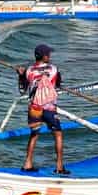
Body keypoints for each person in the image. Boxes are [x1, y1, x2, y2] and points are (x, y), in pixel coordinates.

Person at [18, 44, 67, 173]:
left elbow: (23, 89)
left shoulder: (29, 70)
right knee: (58, 134)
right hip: (49, 108)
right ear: (44, 56)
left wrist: (20, 75)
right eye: (48, 54)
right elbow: (58, 85)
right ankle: (59, 167)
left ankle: (27, 163)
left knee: (34, 135)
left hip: (34, 108)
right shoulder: (54, 69)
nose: (50, 56)